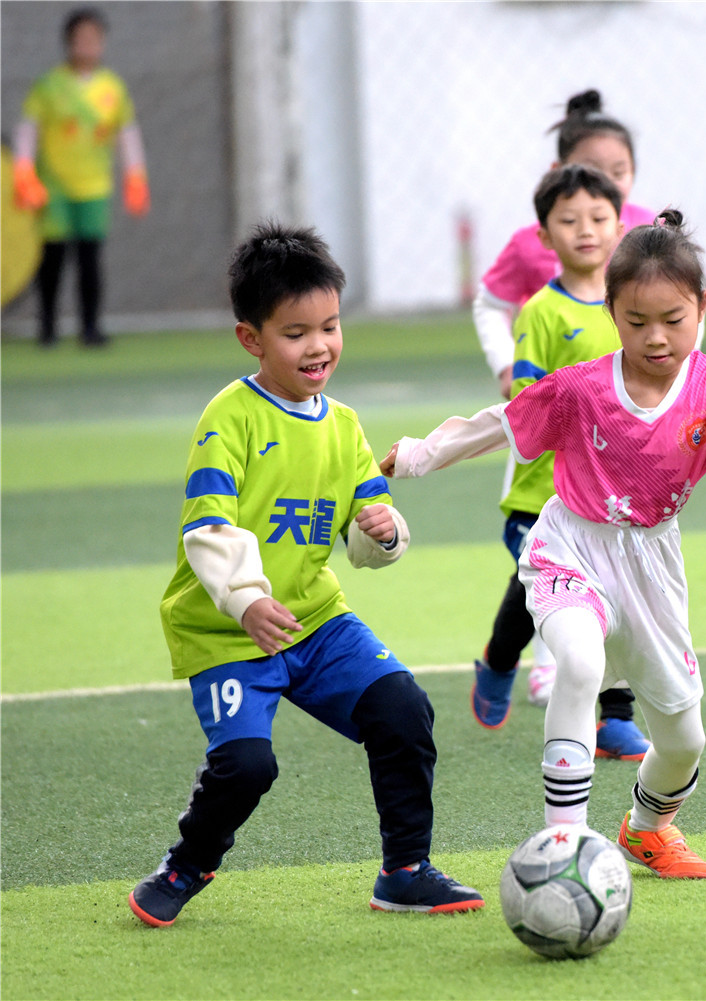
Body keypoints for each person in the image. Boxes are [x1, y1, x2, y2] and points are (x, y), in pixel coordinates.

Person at [383, 211, 706, 879]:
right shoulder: (584, 387)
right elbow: (499, 423)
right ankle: (563, 846)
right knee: (575, 661)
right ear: (612, 311)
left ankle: (647, 828)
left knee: (684, 740)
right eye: (636, 322)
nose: (655, 337)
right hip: (571, 547)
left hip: (653, 566)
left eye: (673, 319)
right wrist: (420, 455)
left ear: (701, 307)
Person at [128, 223, 484, 927]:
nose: (319, 345)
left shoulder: (344, 425)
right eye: (296, 332)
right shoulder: (227, 417)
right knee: (247, 767)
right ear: (251, 338)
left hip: (316, 620)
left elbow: (365, 527)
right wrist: (247, 600)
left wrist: (383, 533)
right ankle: (185, 864)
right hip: (229, 630)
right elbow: (208, 526)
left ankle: (405, 871)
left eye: (330, 325)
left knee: (403, 710)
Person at [472, 89, 656, 751]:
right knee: (537, 592)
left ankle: (616, 715)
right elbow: (529, 405)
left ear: (620, 220)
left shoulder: (636, 291)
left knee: (618, 592)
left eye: (602, 212)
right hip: (541, 488)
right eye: (571, 216)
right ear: (547, 229)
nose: (587, 227)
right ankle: (498, 657)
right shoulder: (541, 312)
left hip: (613, 482)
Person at [13, 7, 150, 348]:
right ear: (69, 42)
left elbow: (126, 132)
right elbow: (29, 129)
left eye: (94, 39)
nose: (87, 45)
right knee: (53, 255)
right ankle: (47, 327)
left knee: (90, 256)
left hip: (94, 186)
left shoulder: (111, 88)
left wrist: (136, 175)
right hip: (55, 185)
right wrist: (23, 170)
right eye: (81, 38)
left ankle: (90, 327)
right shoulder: (50, 85)